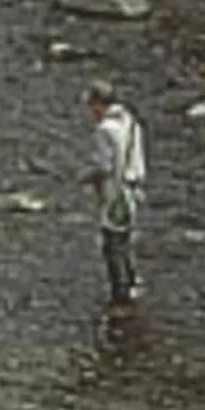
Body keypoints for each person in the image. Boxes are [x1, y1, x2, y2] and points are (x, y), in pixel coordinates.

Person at [82, 81, 146, 304]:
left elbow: (104, 166)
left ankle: (120, 293)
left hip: (116, 193)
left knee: (112, 245)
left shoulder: (104, 131)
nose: (91, 112)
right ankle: (133, 283)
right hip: (134, 189)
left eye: (92, 106)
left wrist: (86, 177)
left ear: (100, 104)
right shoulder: (130, 122)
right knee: (126, 241)